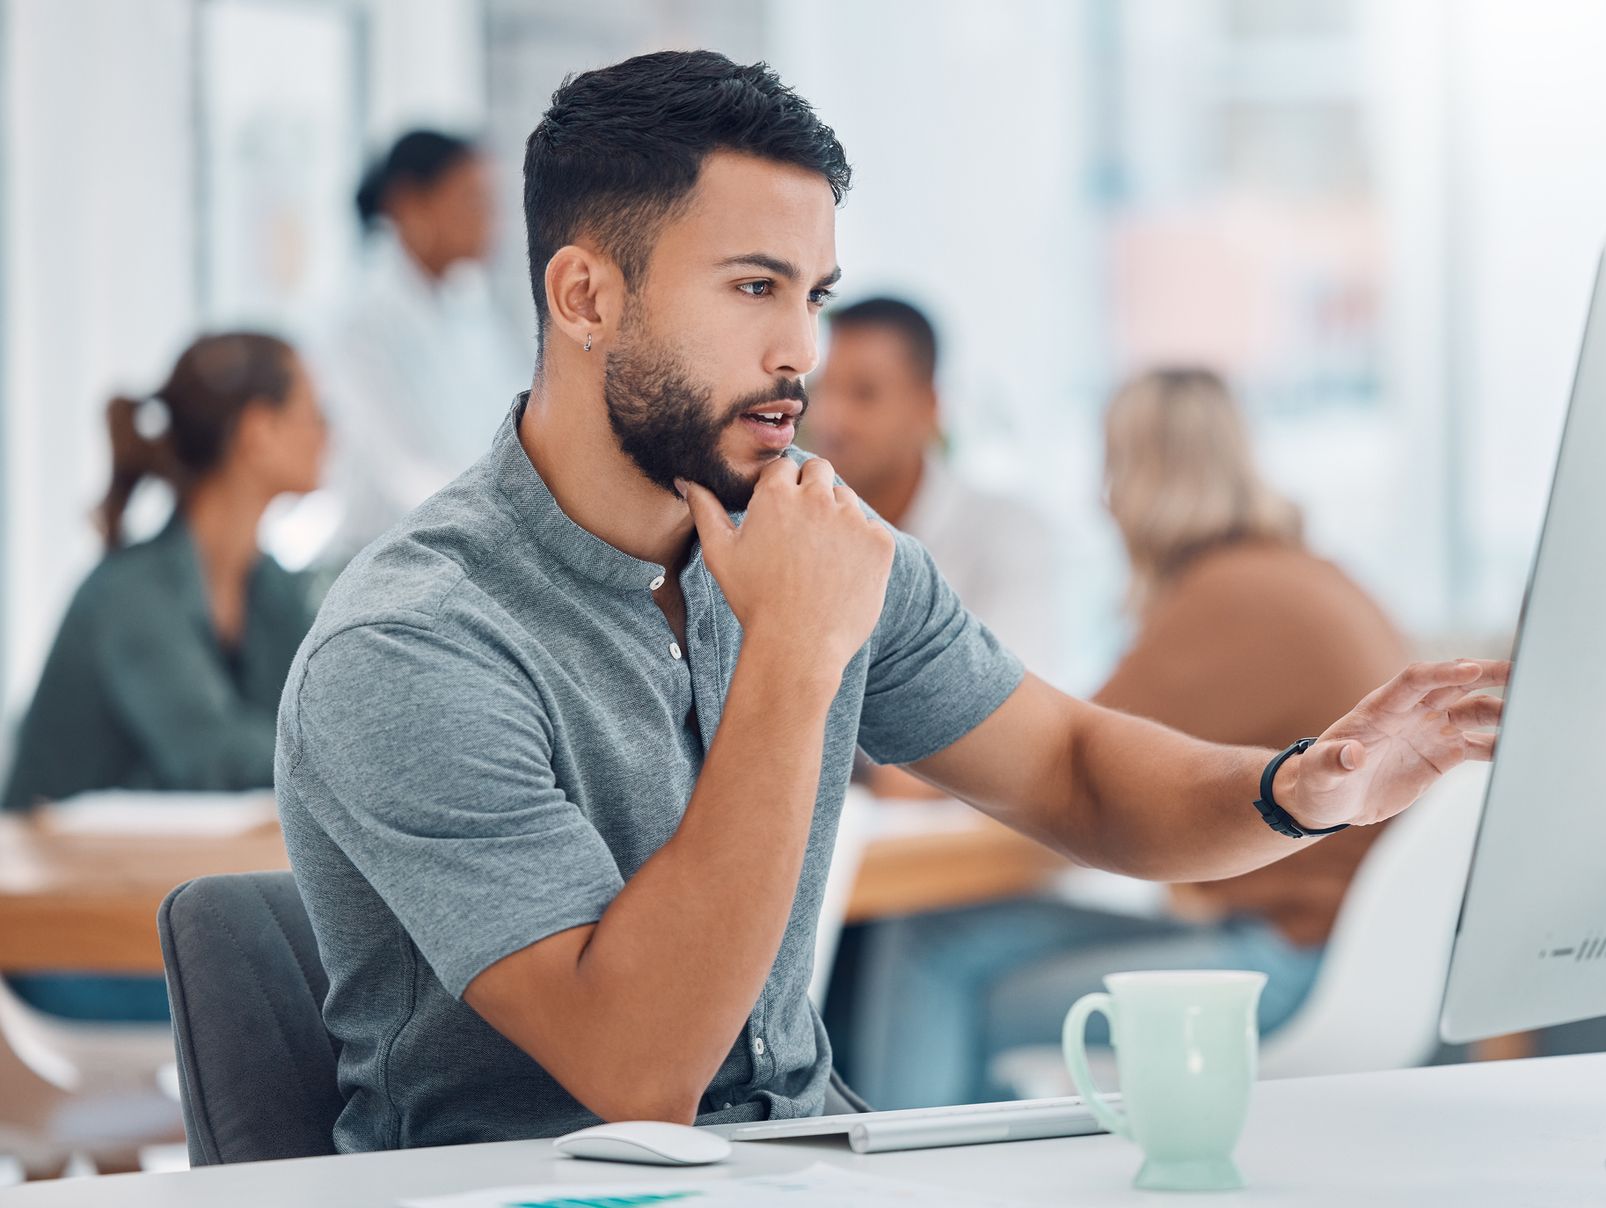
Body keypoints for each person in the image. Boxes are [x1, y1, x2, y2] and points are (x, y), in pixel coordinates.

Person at [276, 50, 1505, 1153]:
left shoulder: (824, 543)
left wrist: (1298, 785)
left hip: (809, 1161)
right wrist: (796, 652)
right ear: (587, 297)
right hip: (534, 1185)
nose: (801, 350)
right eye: (755, 288)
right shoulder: (414, 641)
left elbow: (1072, 769)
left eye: (813, 293)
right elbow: (638, 1070)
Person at [840, 367, 1410, 1108]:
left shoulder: (1224, 597)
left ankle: (900, 1183)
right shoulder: (1305, 576)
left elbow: (1046, 763)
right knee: (938, 940)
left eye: (1108, 469)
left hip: (1288, 963)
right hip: (1348, 951)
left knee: (931, 957)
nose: (1099, 499)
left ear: (1137, 478)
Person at [2, 332, 327, 1019]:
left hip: (173, 916)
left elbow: (316, 722)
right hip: (72, 940)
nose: (328, 434)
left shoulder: (268, 587)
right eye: (313, 412)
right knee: (311, 1004)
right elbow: (216, 754)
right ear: (258, 431)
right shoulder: (129, 593)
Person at [806, 297, 1058, 675]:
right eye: (824, 390)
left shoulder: (1008, 534)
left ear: (929, 406)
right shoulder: (796, 530)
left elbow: (1009, 701)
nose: (830, 418)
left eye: (864, 393)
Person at [313, 129, 529, 560]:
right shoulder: (362, 316)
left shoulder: (468, 304)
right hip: (393, 553)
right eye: (474, 201)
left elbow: (521, 415)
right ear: (411, 204)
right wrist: (510, 522)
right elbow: (400, 467)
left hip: (473, 537)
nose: (493, 222)